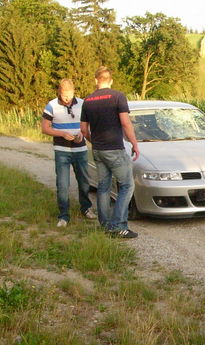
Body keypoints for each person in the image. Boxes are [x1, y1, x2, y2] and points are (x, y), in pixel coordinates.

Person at [80, 66, 140, 238]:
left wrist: (94, 142)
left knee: (103, 187)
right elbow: (126, 123)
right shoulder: (118, 96)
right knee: (127, 185)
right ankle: (119, 225)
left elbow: (83, 130)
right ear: (110, 80)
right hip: (114, 149)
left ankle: (105, 225)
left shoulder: (88, 101)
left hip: (98, 150)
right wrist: (134, 144)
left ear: (95, 80)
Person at [41, 79, 96, 228]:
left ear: (74, 92)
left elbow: (88, 124)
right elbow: (45, 128)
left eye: (70, 95)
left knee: (84, 182)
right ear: (59, 92)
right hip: (62, 151)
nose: (67, 99)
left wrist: (81, 134)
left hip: (80, 149)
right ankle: (64, 216)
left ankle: (86, 208)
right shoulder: (51, 105)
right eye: (64, 96)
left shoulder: (83, 103)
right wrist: (61, 134)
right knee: (63, 184)